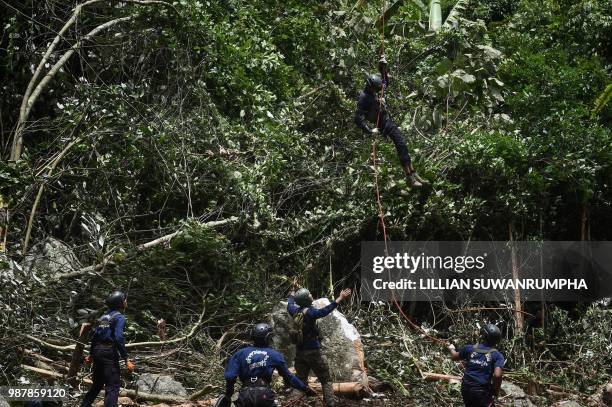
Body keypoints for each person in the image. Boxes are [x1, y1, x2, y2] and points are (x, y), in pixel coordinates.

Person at [354, 55, 427, 188]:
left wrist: (383, 67)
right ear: (370, 87)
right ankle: (410, 178)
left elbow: (385, 83)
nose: (378, 91)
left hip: (386, 120)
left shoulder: (373, 90)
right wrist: (370, 131)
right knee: (401, 144)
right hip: (382, 124)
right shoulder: (364, 98)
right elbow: (357, 118)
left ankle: (413, 174)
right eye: (376, 90)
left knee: (403, 145)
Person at [219, 323, 316, 407]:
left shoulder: (240, 353)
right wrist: (305, 389)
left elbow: (230, 377)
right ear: (268, 337)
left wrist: (228, 395)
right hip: (264, 395)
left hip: (245, 395)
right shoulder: (275, 355)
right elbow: (289, 377)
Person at [287, 287, 352, 407]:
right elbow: (325, 311)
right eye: (310, 294)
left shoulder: (294, 311)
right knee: (325, 379)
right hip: (313, 351)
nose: (312, 295)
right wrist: (340, 298)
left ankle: (292, 403)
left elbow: (289, 304)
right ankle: (329, 404)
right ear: (306, 299)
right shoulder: (311, 313)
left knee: (300, 379)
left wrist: (291, 295)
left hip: (300, 352)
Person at [81, 290, 134, 407]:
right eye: (124, 299)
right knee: (113, 386)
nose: (126, 301)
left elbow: (96, 336)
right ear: (120, 303)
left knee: (97, 384)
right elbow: (119, 337)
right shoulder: (119, 317)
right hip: (108, 353)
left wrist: (91, 354)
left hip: (97, 352)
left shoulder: (105, 317)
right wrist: (126, 359)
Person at [448, 324, 504, 407]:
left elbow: (454, 356)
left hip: (466, 389)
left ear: (483, 336)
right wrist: (496, 391)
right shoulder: (497, 355)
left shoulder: (469, 348)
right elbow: (497, 375)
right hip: (481, 392)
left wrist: (451, 348)